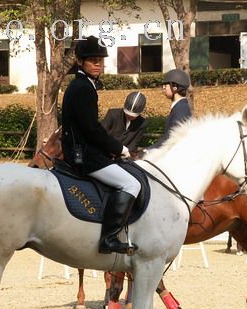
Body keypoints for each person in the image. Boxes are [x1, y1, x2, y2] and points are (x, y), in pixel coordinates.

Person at [61, 35, 141, 255]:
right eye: (92, 60)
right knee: (131, 184)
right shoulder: (83, 88)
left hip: (83, 151)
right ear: (80, 61)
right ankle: (109, 238)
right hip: (85, 156)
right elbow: (91, 130)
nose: (98, 64)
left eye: (100, 60)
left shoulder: (80, 85)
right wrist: (119, 149)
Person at [102, 91, 148, 158]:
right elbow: (102, 134)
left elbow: (134, 144)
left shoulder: (142, 123)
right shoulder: (112, 114)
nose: (130, 117)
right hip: (104, 153)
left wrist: (126, 153)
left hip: (124, 157)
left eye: (133, 116)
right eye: (127, 113)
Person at [155, 69, 192, 147]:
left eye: (165, 86)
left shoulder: (181, 109)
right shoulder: (179, 107)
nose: (163, 88)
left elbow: (171, 138)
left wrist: (148, 151)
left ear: (175, 87)